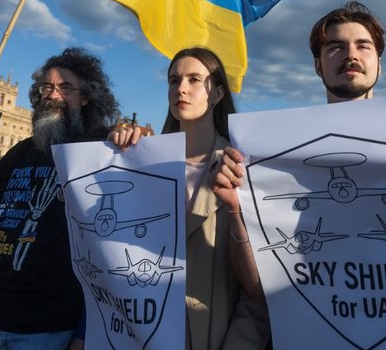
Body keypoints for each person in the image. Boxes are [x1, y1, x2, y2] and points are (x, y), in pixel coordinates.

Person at [212, 1, 386, 306]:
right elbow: (258, 288)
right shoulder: (273, 157)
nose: (351, 54)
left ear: (379, 62)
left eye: (363, 45)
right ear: (317, 65)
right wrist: (234, 208)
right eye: (335, 47)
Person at [0, 48, 118, 350]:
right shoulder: (19, 152)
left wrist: (84, 331)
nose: (52, 95)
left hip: (48, 327)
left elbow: (108, 257)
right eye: (47, 86)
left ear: (86, 96)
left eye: (65, 87)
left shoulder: (101, 152)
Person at [110, 47, 269, 350]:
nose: (180, 88)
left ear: (218, 93)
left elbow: (258, 289)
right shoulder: (143, 162)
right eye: (173, 80)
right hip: (142, 336)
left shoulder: (241, 168)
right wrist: (108, 161)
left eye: (194, 79)